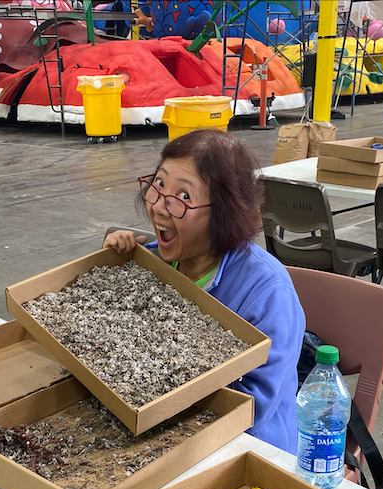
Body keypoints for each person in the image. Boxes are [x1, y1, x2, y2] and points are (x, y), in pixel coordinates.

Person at [103, 129, 305, 454]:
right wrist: (113, 271)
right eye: (159, 184)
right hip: (160, 427)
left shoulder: (267, 291)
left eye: (183, 196)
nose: (160, 207)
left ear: (224, 214)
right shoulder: (154, 264)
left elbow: (254, 407)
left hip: (246, 448)